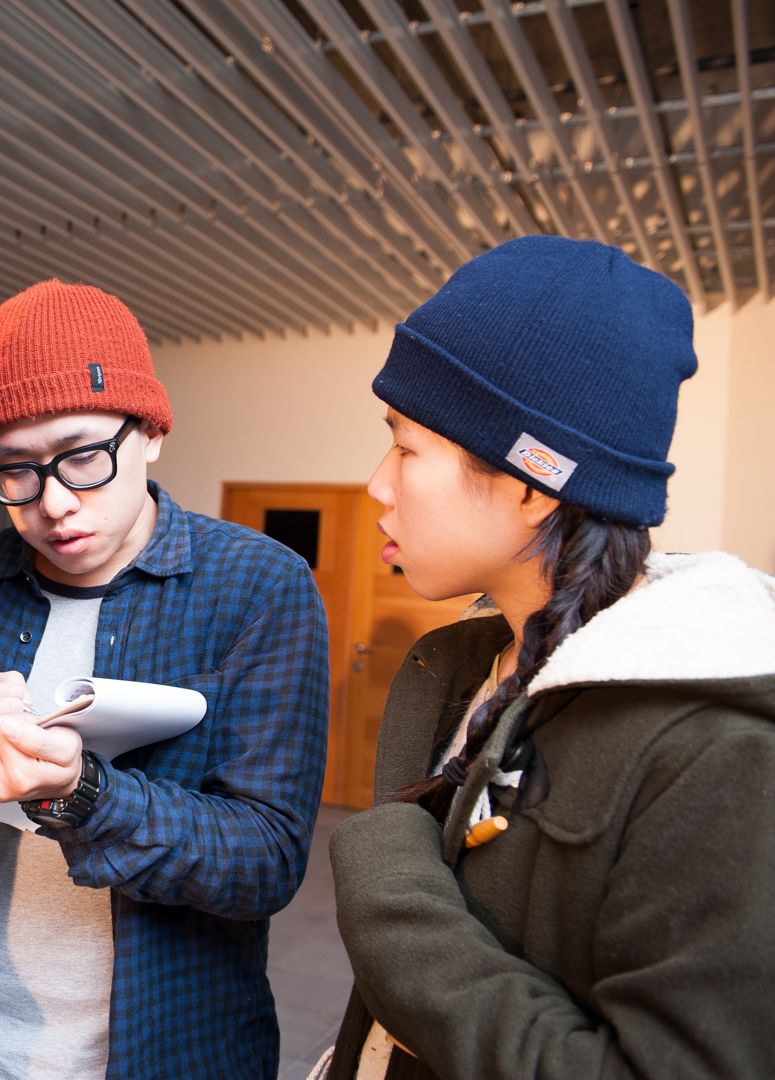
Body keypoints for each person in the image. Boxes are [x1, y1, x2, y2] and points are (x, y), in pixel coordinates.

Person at [0, 280, 331, 1080]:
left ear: (151, 432)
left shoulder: (257, 585)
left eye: (81, 457)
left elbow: (265, 862)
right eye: (15, 471)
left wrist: (81, 794)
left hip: (158, 1052)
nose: (54, 503)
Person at [320, 236, 775, 1080]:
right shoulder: (452, 669)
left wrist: (388, 886)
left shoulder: (715, 748)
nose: (378, 484)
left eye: (406, 448)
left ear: (531, 483)